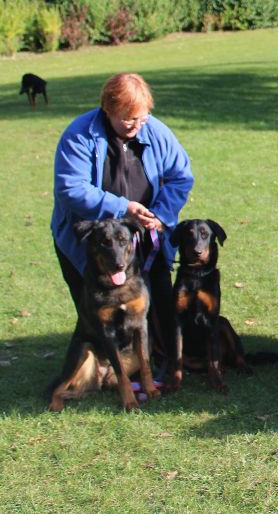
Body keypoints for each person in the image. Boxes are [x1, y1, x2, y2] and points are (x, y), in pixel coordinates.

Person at [51, 72, 194, 370]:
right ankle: (104, 369)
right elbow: (70, 189)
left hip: (145, 237)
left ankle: (160, 362)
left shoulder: (156, 131)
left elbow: (181, 177)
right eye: (129, 119)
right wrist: (122, 208)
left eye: (142, 118)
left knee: (155, 299)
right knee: (97, 311)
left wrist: (160, 215)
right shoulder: (79, 135)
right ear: (108, 109)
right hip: (92, 241)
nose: (137, 125)